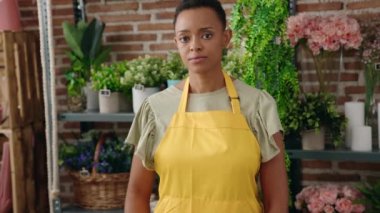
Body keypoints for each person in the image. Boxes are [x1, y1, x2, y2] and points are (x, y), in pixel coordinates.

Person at [124, 0, 289, 212]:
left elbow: (276, 199)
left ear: (226, 38)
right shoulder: (155, 109)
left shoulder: (258, 105)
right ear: (176, 43)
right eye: (185, 38)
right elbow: (137, 192)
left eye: (207, 35)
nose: (195, 45)